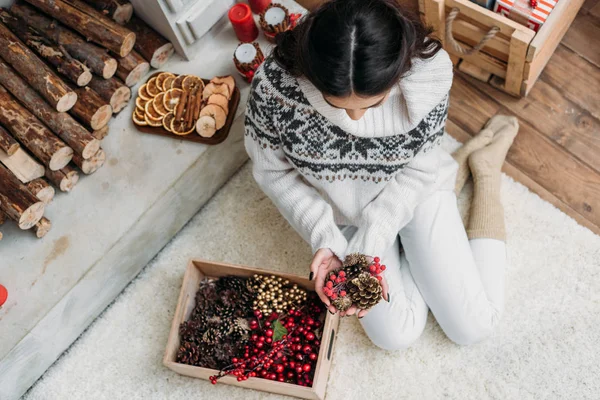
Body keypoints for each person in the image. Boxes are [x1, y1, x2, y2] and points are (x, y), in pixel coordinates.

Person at [244, 0, 518, 349]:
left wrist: (372, 244)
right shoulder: (275, 87)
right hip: (342, 211)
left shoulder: (427, 75)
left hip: (415, 191)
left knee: (474, 328)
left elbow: (419, 169)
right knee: (396, 337)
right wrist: (324, 236)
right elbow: (272, 172)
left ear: (398, 73)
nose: (356, 120)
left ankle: (484, 171)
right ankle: (416, 244)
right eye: (336, 104)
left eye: (372, 105)